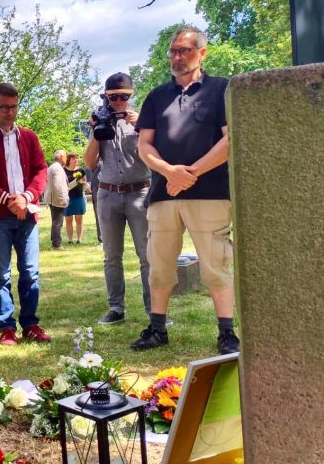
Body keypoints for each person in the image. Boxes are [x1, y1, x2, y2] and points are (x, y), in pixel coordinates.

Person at [133, 27, 239, 355]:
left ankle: (227, 333)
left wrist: (191, 174)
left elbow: (231, 139)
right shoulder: (156, 96)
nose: (177, 57)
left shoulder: (222, 89)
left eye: (185, 50)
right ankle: (157, 329)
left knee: (216, 263)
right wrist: (169, 172)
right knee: (160, 264)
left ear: (202, 53)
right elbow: (144, 145)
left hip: (210, 193)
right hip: (164, 194)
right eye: (173, 51)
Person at [0, 83, 51, 345]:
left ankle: (30, 324)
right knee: (1, 274)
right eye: (4, 107)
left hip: (27, 213)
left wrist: (26, 197)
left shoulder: (28, 137)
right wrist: (7, 199)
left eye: (14, 107)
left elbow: (41, 170)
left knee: (30, 272)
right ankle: (6, 327)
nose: (10, 112)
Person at [84, 72, 153, 327]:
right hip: (108, 193)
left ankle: (155, 310)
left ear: (131, 95)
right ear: (106, 96)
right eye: (113, 97)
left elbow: (155, 155)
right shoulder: (99, 121)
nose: (118, 102)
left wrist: (142, 126)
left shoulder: (143, 121)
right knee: (112, 256)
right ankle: (116, 308)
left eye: (124, 97)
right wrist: (96, 131)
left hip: (139, 192)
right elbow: (89, 163)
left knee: (147, 255)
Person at [44, 150, 70, 250]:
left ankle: (54, 241)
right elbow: (58, 185)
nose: (66, 158)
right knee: (58, 222)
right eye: (65, 156)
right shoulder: (57, 168)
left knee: (55, 221)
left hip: (53, 198)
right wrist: (62, 198)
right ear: (60, 157)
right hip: (56, 199)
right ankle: (56, 244)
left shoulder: (52, 167)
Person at [63, 152, 88, 244]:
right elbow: (64, 186)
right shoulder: (63, 170)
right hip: (68, 198)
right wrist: (76, 181)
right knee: (68, 219)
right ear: (69, 160)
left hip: (79, 197)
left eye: (76, 158)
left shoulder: (81, 170)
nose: (76, 160)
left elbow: (85, 183)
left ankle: (79, 239)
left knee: (79, 218)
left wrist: (84, 184)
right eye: (73, 158)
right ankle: (70, 240)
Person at [85, 161, 102, 244]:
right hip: (97, 187)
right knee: (98, 214)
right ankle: (101, 239)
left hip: (110, 188)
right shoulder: (96, 160)